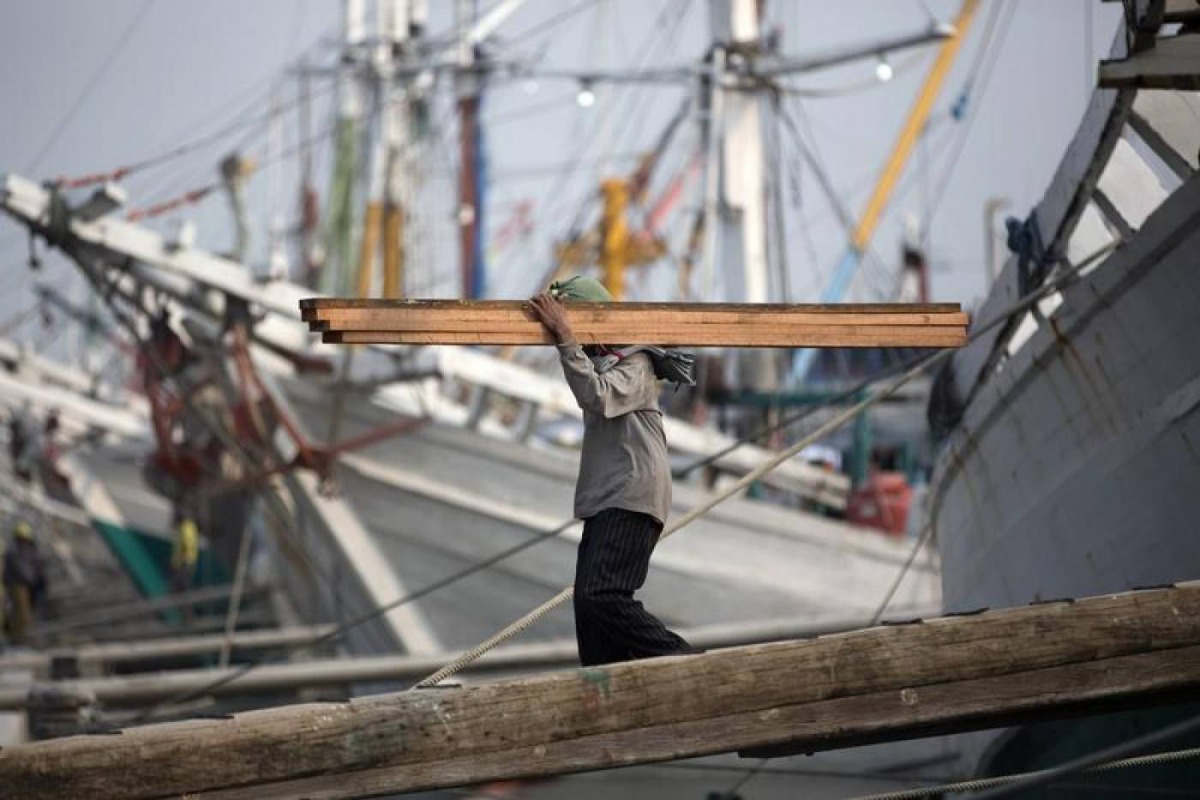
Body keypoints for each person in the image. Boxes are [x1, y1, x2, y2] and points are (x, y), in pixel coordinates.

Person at [528, 275, 693, 667]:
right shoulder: (604, 362)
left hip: (632, 495)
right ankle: (601, 689)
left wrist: (565, 336)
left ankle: (685, 661)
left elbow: (597, 396)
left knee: (601, 596)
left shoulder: (635, 362)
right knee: (589, 610)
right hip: (610, 499)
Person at [3, 520, 46, 645]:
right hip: (18, 585)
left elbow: (35, 565)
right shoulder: (15, 551)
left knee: (25, 611)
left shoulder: (26, 550)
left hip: (26, 585)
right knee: (22, 612)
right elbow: (21, 568)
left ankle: (19, 636)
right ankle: (17, 639)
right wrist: (31, 580)